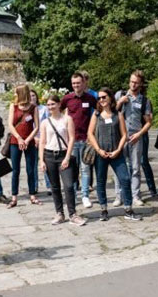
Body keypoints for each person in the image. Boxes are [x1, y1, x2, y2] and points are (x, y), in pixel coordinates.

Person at [87, 88, 142, 221]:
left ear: (110, 97)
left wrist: (118, 149)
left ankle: (128, 208)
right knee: (101, 182)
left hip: (117, 153)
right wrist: (98, 150)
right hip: (101, 153)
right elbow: (90, 133)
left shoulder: (118, 114)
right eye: (99, 98)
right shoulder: (96, 114)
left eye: (104, 97)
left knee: (125, 178)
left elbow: (124, 134)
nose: (101, 100)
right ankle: (103, 209)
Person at [38, 95, 86, 226]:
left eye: (53, 104)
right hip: (49, 155)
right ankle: (59, 213)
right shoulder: (45, 122)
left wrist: (67, 157)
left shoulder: (67, 119)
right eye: (48, 105)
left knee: (69, 185)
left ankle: (73, 214)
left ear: (59, 104)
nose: (50, 107)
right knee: (54, 187)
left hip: (64, 154)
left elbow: (71, 139)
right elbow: (42, 142)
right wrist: (41, 160)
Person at [116, 70, 153, 206]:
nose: (133, 84)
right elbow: (110, 112)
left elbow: (149, 122)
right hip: (121, 136)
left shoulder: (144, 100)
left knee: (136, 167)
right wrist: (120, 102)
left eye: (136, 83)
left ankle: (135, 195)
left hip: (135, 136)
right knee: (119, 167)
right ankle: (119, 195)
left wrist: (139, 134)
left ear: (141, 84)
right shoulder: (120, 95)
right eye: (131, 81)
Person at [61, 73, 97, 208]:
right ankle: (73, 195)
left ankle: (85, 195)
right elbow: (58, 112)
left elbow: (98, 111)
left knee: (86, 169)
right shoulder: (67, 99)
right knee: (72, 170)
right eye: (74, 83)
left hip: (86, 140)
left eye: (78, 83)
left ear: (83, 83)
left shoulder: (90, 98)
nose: (76, 85)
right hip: (71, 140)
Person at [7, 85, 40, 207]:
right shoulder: (13, 107)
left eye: (16, 92)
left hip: (29, 142)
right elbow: (10, 124)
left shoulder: (33, 108)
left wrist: (27, 140)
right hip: (15, 142)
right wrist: (20, 139)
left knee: (30, 169)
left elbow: (36, 126)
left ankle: (32, 195)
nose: (15, 94)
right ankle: (14, 197)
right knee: (15, 170)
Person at [31, 89, 52, 196]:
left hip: (44, 139)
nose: (32, 98)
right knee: (33, 164)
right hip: (31, 140)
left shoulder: (43, 109)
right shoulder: (26, 110)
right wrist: (34, 137)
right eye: (29, 96)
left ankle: (49, 186)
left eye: (33, 95)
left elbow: (49, 123)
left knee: (45, 163)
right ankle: (34, 186)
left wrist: (42, 138)